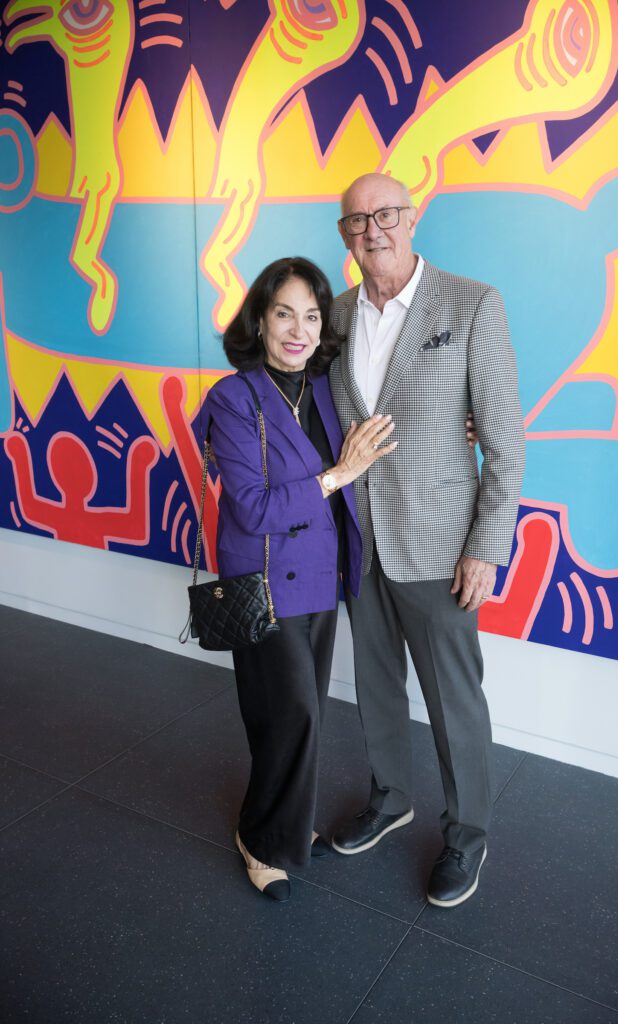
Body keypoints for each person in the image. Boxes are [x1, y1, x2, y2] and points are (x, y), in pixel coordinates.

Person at [328, 173, 526, 908]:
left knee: (454, 700)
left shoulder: (472, 304)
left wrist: (487, 544)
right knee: (374, 685)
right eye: (356, 221)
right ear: (344, 235)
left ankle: (468, 834)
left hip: (441, 545)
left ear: (410, 219)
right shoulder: (337, 315)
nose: (372, 229)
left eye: (385, 214)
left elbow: (504, 441)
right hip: (360, 540)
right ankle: (389, 797)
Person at [205, 256, 396, 902]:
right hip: (263, 580)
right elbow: (253, 507)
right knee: (291, 716)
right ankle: (261, 841)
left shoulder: (323, 388)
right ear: (259, 319)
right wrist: (336, 476)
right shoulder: (232, 398)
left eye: (311, 316)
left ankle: (284, 823)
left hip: (322, 575)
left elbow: (376, 436)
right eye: (284, 312)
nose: (298, 329)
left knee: (299, 714)